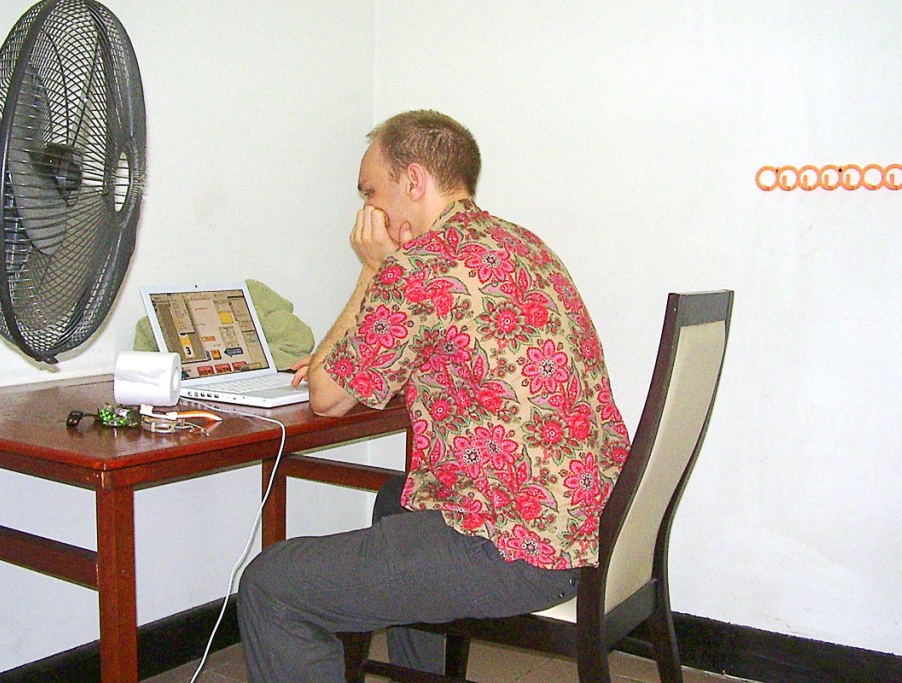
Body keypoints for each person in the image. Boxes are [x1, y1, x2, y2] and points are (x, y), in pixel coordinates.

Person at [237, 110, 630, 681]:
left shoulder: (417, 269)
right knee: (395, 502)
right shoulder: (523, 244)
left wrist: (374, 271)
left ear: (414, 181)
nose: (367, 213)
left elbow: (327, 396)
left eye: (372, 193)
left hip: (517, 551)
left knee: (271, 585)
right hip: (589, 526)